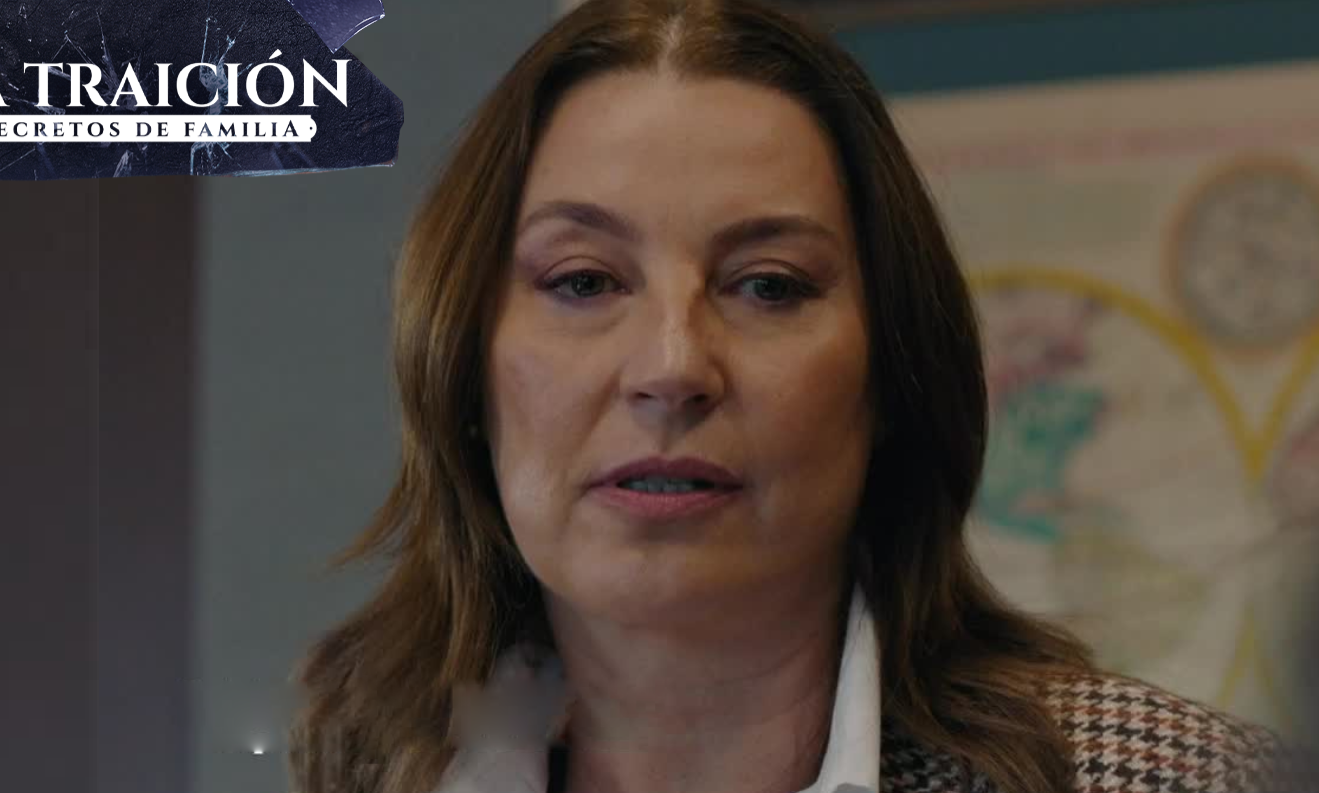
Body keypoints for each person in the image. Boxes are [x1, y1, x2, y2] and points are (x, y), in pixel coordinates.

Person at [286, 1, 1306, 791]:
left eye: (767, 286)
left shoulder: (1173, 779)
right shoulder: (367, 774)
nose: (672, 366)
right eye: (586, 281)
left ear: (890, 373)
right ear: (462, 363)